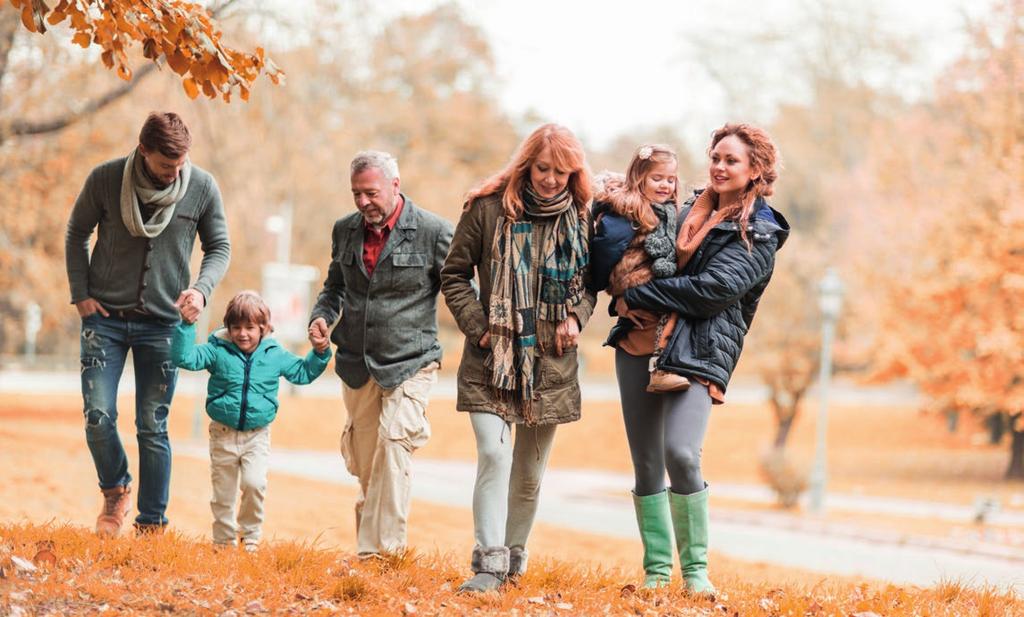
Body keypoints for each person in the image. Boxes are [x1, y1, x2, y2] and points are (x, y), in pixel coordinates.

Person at [598, 127, 789, 593]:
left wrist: (636, 292)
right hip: (640, 340)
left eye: (732, 161)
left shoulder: (760, 230)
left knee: (681, 453)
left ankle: (697, 573)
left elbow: (714, 290)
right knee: (645, 463)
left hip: (700, 350)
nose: (720, 167)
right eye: (716, 157)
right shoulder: (684, 208)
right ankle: (657, 574)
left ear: (756, 171)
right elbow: (633, 241)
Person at [441, 123, 596, 592]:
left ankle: (510, 562)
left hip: (550, 361)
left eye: (562, 172)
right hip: (492, 358)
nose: (551, 179)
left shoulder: (582, 217)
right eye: (543, 168)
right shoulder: (486, 209)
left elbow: (591, 285)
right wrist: (481, 329)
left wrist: (577, 316)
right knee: (494, 454)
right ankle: (487, 563)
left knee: (528, 474)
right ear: (526, 163)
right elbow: (453, 276)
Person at [65, 111, 231, 536]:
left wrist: (201, 290)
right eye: (164, 166)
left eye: (179, 165)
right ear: (143, 151)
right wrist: (80, 292)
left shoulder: (201, 187)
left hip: (163, 325)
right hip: (105, 320)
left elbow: (219, 247)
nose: (173, 173)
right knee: (98, 415)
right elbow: (76, 233)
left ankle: (151, 524)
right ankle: (116, 487)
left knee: (152, 424)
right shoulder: (105, 179)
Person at [307, 150, 454, 557]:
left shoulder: (433, 230)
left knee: (394, 443)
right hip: (357, 363)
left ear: (394, 185)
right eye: (356, 194)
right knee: (369, 467)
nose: (362, 202)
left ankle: (382, 554)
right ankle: (371, 544)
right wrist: (321, 317)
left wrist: (482, 334)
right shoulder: (344, 230)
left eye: (370, 193)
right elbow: (334, 287)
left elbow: (458, 289)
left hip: (412, 360)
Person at [171, 291, 330, 551]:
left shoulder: (274, 354)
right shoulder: (216, 350)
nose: (242, 334)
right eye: (236, 327)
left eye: (250, 328)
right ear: (228, 327)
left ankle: (251, 538)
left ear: (264, 328)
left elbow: (302, 373)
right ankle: (223, 543)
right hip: (223, 433)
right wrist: (187, 326)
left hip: (256, 435)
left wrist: (320, 352)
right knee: (223, 494)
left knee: (254, 484)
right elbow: (184, 358)